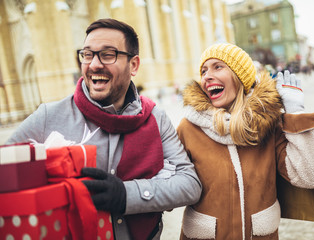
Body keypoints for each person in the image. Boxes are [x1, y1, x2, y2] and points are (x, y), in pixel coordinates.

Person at [6, 18, 201, 240]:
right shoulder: (48, 116)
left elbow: (189, 184)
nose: (95, 64)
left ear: (134, 65)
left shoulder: (156, 118)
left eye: (108, 54)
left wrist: (127, 195)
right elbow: (6, 173)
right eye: (87, 54)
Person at [177, 43, 314, 240]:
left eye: (218, 66)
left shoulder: (269, 125)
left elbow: (311, 176)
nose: (206, 76)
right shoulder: (188, 128)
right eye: (204, 70)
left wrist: (296, 111)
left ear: (240, 77)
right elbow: (170, 185)